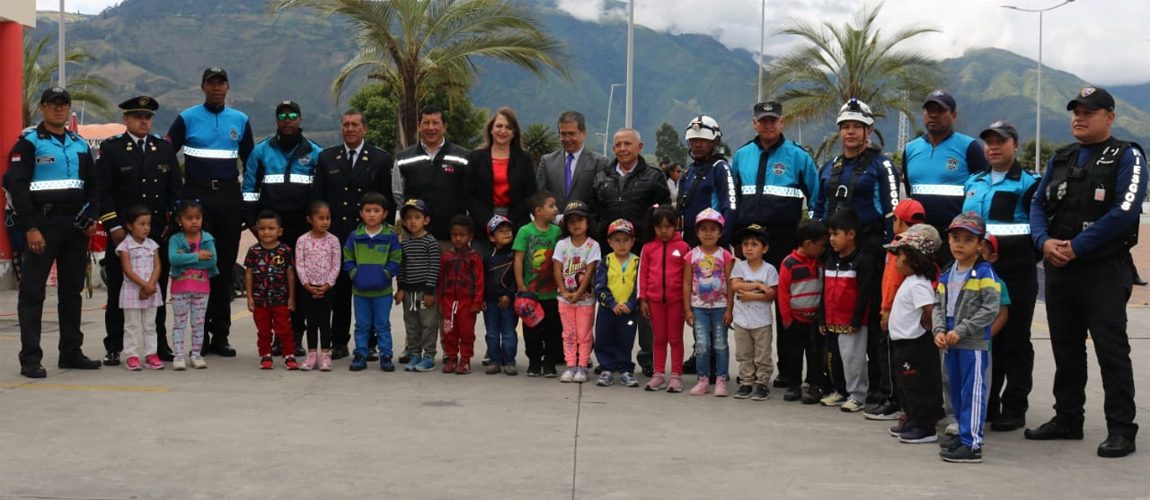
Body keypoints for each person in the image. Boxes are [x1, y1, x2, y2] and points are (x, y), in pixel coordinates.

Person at [1027, 86, 1146, 458]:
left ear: (1109, 117)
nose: (1079, 117)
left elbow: (1125, 211)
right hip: (1060, 269)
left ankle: (1121, 429)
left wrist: (1077, 247)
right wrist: (1044, 242)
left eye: (1089, 112)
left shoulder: (1128, 156)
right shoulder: (1060, 158)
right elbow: (1036, 203)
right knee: (1066, 348)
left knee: (1111, 350)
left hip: (1103, 270)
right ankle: (1067, 418)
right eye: (1075, 111)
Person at [5, 87, 102, 378]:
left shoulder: (80, 144)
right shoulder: (29, 144)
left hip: (75, 228)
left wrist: (92, 216)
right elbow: (17, 188)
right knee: (33, 294)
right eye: (52, 104)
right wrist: (31, 227)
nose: (58, 109)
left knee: (72, 292)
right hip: (42, 227)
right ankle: (30, 359)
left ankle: (71, 352)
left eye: (63, 105)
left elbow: (95, 186)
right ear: (42, 109)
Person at [814, 98, 900, 417]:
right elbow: (819, 208)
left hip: (871, 252)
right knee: (834, 320)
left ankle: (878, 389)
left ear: (869, 130)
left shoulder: (883, 165)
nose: (850, 132)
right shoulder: (830, 167)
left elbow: (892, 210)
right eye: (845, 126)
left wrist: (892, 251)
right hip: (835, 253)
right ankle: (840, 385)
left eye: (856, 127)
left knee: (872, 324)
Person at [729, 100, 820, 390]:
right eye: (762, 120)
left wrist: (811, 238)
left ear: (781, 122)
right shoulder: (742, 155)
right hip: (748, 243)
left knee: (785, 308)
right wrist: (733, 238)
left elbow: (816, 197)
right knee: (746, 301)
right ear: (754, 123)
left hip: (784, 241)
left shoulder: (797, 156)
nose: (768, 125)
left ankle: (788, 372)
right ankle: (751, 371)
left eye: (773, 120)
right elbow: (732, 201)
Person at [167, 67, 255, 357]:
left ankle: (221, 336)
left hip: (229, 198)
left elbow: (250, 164)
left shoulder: (240, 121)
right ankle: (199, 337)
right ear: (202, 86)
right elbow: (166, 156)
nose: (217, 88)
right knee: (198, 266)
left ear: (228, 87)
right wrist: (178, 198)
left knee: (224, 267)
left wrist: (246, 203)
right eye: (211, 83)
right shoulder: (186, 118)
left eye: (221, 83)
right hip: (197, 199)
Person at [963, 120, 1040, 432]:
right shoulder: (974, 181)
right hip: (980, 274)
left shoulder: (1029, 184)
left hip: (1016, 272)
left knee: (1016, 340)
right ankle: (988, 402)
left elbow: (1039, 228)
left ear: (1015, 146)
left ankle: (1015, 406)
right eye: (989, 141)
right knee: (985, 338)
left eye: (1001, 141)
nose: (993, 147)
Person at [97, 95, 182, 365]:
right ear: (126, 119)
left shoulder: (164, 149)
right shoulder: (112, 149)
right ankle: (115, 344)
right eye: (137, 116)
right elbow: (103, 191)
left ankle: (158, 345)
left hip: (156, 233)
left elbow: (175, 190)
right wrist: (113, 226)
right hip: (123, 233)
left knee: (156, 289)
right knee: (118, 290)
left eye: (147, 117)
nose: (143, 121)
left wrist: (172, 223)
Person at [588, 128, 671, 375]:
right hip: (609, 254)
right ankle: (610, 360)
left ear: (640, 146)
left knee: (644, 307)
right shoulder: (601, 175)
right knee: (609, 308)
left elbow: (664, 213)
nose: (622, 148)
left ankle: (648, 360)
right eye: (618, 144)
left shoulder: (654, 176)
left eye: (628, 144)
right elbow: (593, 211)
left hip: (643, 251)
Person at [243, 100, 322, 357]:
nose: (287, 119)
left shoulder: (315, 152)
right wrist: (255, 227)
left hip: (303, 232)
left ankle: (295, 336)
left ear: (300, 119)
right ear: (277, 120)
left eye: (292, 115)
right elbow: (249, 192)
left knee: (298, 284)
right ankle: (276, 338)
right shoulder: (261, 151)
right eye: (282, 115)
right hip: (271, 232)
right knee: (273, 284)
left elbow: (320, 194)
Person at [313, 109, 394, 359]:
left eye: (355, 125)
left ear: (364, 129)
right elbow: (319, 197)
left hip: (367, 237)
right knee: (339, 292)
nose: (350, 129)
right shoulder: (327, 157)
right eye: (346, 124)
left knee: (369, 289)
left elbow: (387, 199)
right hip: (335, 236)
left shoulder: (380, 159)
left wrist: (382, 232)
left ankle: (369, 343)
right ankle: (339, 341)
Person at [932, 212, 1001, 463]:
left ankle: (972, 444)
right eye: (955, 238)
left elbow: (990, 309)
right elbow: (938, 305)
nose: (959, 244)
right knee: (956, 390)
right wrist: (938, 330)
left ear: (979, 245)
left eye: (967, 240)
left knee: (972, 391)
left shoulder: (985, 274)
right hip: (950, 340)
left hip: (971, 342)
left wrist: (961, 329)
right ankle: (962, 434)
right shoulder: (947, 273)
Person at [901, 89, 990, 266]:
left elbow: (983, 192)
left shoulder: (969, 147)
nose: (933, 115)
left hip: (956, 239)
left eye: (940, 111)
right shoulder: (910, 149)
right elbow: (911, 192)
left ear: (953, 115)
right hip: (920, 237)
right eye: (929, 110)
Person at [883, 224, 945, 444]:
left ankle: (925, 426)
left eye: (899, 255)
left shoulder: (919, 284)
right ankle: (913, 419)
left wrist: (928, 327)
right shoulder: (910, 281)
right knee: (905, 386)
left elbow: (929, 310)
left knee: (918, 386)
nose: (895, 261)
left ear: (914, 258)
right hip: (903, 344)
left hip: (915, 345)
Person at [822, 209, 876, 413]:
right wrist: (822, 318)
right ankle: (841, 390)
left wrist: (855, 320)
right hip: (831, 320)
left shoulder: (862, 261)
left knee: (853, 358)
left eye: (836, 234)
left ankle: (858, 395)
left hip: (851, 322)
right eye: (830, 234)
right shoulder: (829, 260)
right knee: (834, 358)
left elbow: (863, 294)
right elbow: (824, 291)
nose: (831, 239)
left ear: (851, 234)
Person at [392, 105, 470, 244]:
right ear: (418, 126)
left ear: (444, 126)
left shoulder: (463, 157)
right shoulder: (403, 158)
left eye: (435, 123)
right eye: (426, 123)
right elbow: (398, 195)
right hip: (415, 238)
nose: (430, 127)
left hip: (452, 238)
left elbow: (469, 194)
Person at [343, 192, 402, 372]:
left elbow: (396, 258)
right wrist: (355, 274)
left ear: (384, 214)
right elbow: (347, 257)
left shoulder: (390, 235)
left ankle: (385, 355)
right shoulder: (355, 236)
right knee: (361, 325)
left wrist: (385, 274)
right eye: (367, 210)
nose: (371, 214)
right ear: (361, 213)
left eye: (376, 210)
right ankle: (360, 354)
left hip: (382, 292)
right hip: (360, 292)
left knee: (382, 324)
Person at [466, 107, 538, 243]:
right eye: (499, 126)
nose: (503, 131)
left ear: (514, 133)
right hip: (483, 225)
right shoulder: (476, 158)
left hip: (517, 224)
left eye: (508, 127)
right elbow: (469, 195)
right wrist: (490, 221)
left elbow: (530, 194)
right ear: (491, 130)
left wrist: (507, 223)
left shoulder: (524, 159)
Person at [683, 208, 734, 397]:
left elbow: (730, 283)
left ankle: (721, 380)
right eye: (703, 229)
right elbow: (687, 283)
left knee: (720, 344)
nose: (708, 233)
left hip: (720, 308)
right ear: (697, 232)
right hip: (699, 308)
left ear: (720, 232)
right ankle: (702, 379)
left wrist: (730, 309)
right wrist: (687, 309)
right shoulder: (691, 256)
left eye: (713, 229)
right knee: (702, 345)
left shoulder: (726, 255)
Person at [777, 219, 828, 404]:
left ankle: (814, 384)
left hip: (815, 320)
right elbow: (782, 292)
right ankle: (794, 385)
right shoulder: (789, 263)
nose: (823, 249)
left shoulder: (820, 263)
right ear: (808, 244)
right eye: (821, 245)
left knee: (815, 354)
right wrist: (787, 318)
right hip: (795, 319)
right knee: (794, 354)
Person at [513, 190, 563, 377]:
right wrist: (520, 285)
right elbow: (518, 259)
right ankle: (534, 362)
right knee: (531, 331)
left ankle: (549, 363)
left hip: (551, 293)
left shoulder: (557, 232)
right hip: (531, 295)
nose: (556, 209)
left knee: (552, 331)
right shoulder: (525, 231)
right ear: (539, 211)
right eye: (551, 206)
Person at [640, 206, 690, 393]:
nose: (663, 231)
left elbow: (688, 277)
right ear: (653, 227)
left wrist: (687, 304)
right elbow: (643, 274)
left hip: (676, 301)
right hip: (654, 301)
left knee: (675, 339)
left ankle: (676, 375)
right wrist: (643, 299)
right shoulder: (648, 248)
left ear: (676, 226)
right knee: (659, 338)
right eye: (659, 226)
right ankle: (658, 374)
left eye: (668, 226)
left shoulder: (684, 247)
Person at [729, 224, 779, 401]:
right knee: (744, 354)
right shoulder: (739, 266)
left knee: (762, 354)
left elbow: (771, 294)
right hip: (741, 320)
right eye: (745, 244)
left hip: (762, 322)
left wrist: (749, 295)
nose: (749, 248)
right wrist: (758, 286)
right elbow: (735, 285)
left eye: (754, 244)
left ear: (765, 248)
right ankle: (746, 382)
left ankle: (762, 383)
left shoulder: (770, 270)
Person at [553, 200, 600, 383]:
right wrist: (564, 291)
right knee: (569, 334)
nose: (576, 224)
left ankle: (582, 366)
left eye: (580, 220)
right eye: (571, 221)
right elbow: (557, 269)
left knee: (584, 334)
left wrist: (579, 293)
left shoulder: (592, 245)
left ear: (588, 222)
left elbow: (589, 271)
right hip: (565, 299)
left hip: (585, 299)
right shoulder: (562, 245)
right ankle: (571, 365)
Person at [114, 205, 165, 371]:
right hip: (132, 291)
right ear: (130, 225)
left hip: (151, 290)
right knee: (132, 325)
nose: (146, 228)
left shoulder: (152, 245)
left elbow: (157, 266)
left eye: (148, 224)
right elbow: (127, 270)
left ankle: (151, 354)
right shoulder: (125, 246)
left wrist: (151, 285)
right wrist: (144, 285)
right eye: (141, 224)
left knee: (150, 325)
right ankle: (132, 355)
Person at [168, 199, 217, 370]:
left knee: (198, 324)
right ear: (179, 220)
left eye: (198, 217)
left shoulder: (207, 238)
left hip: (202, 289)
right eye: (189, 218)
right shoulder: (175, 239)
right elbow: (173, 259)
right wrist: (197, 257)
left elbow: (212, 262)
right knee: (179, 323)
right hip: (179, 290)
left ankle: (196, 354)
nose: (194, 221)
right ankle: (178, 356)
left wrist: (184, 263)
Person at [244, 211, 297, 370]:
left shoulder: (285, 251)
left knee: (285, 329)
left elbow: (290, 274)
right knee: (263, 330)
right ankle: (265, 355)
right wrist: (250, 297)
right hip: (260, 300)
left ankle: (289, 355)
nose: (266, 232)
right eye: (262, 228)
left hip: (280, 299)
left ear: (279, 231)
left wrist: (291, 298)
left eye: (271, 228)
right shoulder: (253, 251)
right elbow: (248, 274)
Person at [593, 219, 641, 388]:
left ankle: (625, 369)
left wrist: (630, 303)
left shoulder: (637, 262)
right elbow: (600, 286)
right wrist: (612, 304)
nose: (622, 244)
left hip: (629, 310)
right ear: (609, 242)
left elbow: (639, 287)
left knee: (625, 339)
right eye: (617, 240)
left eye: (626, 240)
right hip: (608, 310)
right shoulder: (606, 261)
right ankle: (606, 368)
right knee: (603, 338)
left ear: (632, 242)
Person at [295, 200, 342, 371]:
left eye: (328, 218)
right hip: (308, 288)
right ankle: (312, 354)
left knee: (324, 321)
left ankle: (326, 354)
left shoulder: (333, 240)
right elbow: (300, 264)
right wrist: (306, 284)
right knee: (311, 321)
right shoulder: (302, 240)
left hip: (327, 288)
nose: (325, 221)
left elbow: (336, 264)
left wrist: (328, 284)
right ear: (310, 219)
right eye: (320, 218)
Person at [677, 115, 736, 248]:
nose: (697, 145)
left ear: (714, 142)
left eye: (703, 140)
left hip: (713, 246)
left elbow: (730, 207)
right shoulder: (688, 171)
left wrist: (721, 243)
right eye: (693, 140)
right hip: (688, 245)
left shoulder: (720, 168)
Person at [395, 199, 440, 372]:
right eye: (409, 218)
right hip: (409, 293)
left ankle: (428, 356)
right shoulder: (404, 244)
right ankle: (414, 354)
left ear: (426, 220)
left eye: (417, 217)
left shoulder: (430, 242)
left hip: (424, 292)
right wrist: (400, 289)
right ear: (404, 222)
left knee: (428, 324)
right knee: (411, 324)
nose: (413, 221)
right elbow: (402, 267)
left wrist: (429, 291)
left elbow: (434, 267)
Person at [436, 214, 484, 374]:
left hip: (467, 303)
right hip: (449, 302)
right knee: (448, 332)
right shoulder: (446, 258)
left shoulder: (474, 258)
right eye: (454, 235)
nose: (458, 239)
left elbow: (479, 282)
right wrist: (441, 303)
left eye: (462, 235)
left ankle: (465, 360)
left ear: (470, 236)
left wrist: (477, 302)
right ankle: (450, 358)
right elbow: (440, 281)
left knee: (466, 333)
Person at [537, 111, 611, 211]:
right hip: (553, 224)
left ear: (584, 133)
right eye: (563, 134)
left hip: (584, 223)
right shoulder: (547, 161)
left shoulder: (599, 162)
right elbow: (539, 195)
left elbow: (600, 199)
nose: (567, 139)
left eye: (571, 134)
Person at [482, 215, 519, 375]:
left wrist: (509, 295)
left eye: (508, 230)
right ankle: (495, 360)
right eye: (501, 231)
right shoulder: (487, 258)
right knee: (492, 333)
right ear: (491, 237)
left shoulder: (515, 255)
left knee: (509, 332)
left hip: (508, 302)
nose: (506, 233)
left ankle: (509, 360)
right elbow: (482, 279)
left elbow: (516, 279)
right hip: (490, 303)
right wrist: (481, 298)